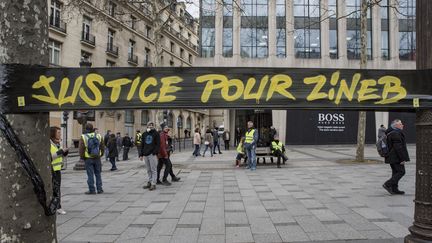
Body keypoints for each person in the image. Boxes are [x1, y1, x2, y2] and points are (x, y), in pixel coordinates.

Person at [382, 119, 410, 195]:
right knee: (401, 172)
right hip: (396, 157)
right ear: (396, 125)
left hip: (391, 157)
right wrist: (402, 159)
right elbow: (398, 148)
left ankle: (394, 189)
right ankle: (387, 184)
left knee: (395, 172)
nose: (402, 125)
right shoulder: (396, 134)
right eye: (400, 124)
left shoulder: (391, 132)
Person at [79, 123, 104, 194]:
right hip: (97, 158)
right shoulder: (99, 136)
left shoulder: (83, 137)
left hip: (88, 158)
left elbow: (81, 149)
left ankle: (92, 190)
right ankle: (99, 189)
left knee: (90, 174)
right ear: (93, 128)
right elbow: (102, 146)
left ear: (86, 129)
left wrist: (82, 157)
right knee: (98, 174)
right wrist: (101, 154)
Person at [50, 126, 68, 214]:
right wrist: (60, 152)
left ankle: (57, 206)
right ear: (53, 133)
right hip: (51, 170)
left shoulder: (58, 143)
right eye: (58, 132)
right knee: (54, 189)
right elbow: (49, 157)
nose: (60, 134)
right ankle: (57, 207)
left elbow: (59, 155)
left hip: (57, 169)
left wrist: (64, 153)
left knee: (57, 188)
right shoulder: (48, 143)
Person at [139, 122, 160, 191]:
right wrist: (141, 154)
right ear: (147, 126)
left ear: (153, 126)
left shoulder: (156, 133)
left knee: (153, 169)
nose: (150, 126)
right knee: (148, 169)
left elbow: (158, 144)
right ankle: (150, 181)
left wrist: (154, 152)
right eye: (149, 125)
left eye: (152, 125)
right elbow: (142, 144)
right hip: (145, 154)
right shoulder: (144, 134)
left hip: (152, 154)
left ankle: (153, 183)